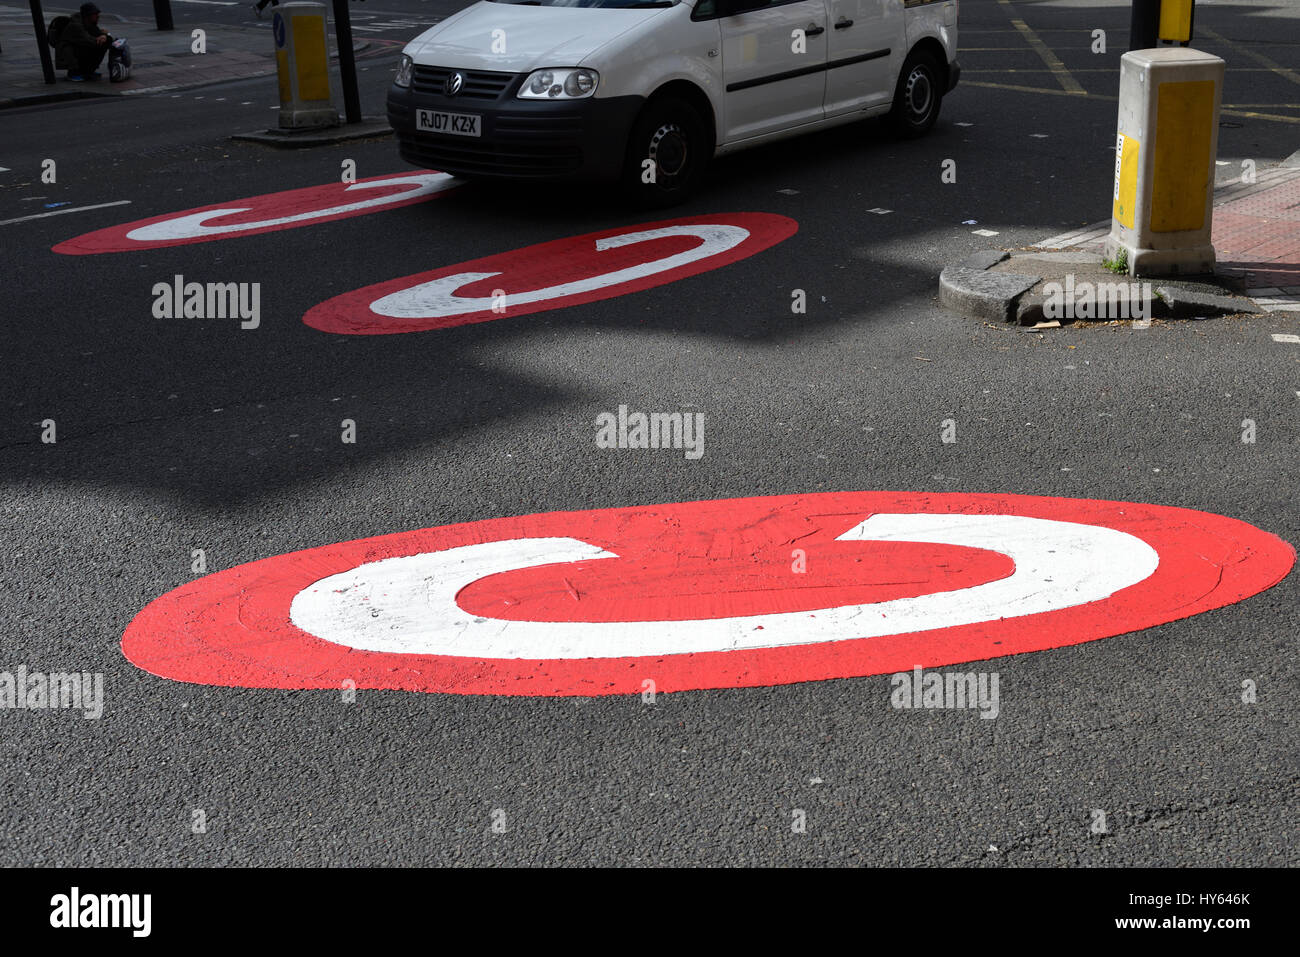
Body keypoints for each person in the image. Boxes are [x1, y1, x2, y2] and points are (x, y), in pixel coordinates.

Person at [55, 3, 112, 82]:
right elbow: (91, 41)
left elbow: (98, 34)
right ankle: (73, 73)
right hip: (68, 54)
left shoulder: (89, 23)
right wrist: (104, 36)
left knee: (105, 42)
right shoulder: (76, 26)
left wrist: (104, 36)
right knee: (101, 44)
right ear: (87, 15)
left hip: (78, 49)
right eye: (95, 14)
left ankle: (88, 71)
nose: (98, 16)